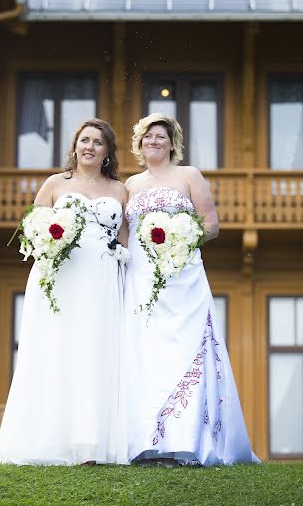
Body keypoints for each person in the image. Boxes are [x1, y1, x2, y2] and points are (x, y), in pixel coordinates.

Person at [0, 119, 128, 466]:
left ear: (107, 151)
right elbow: (33, 230)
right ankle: (50, 440)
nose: (90, 147)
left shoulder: (120, 190)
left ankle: (92, 446)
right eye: (84, 140)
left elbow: (125, 240)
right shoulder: (55, 184)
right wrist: (51, 243)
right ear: (74, 146)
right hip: (61, 276)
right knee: (58, 349)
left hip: (102, 279)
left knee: (96, 354)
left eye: (98, 142)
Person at [124, 112, 257, 466]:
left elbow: (210, 224)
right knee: (147, 353)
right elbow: (124, 236)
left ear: (172, 143)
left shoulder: (189, 176)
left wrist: (181, 241)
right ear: (139, 142)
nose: (154, 142)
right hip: (141, 279)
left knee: (185, 349)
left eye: (161, 137)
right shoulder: (131, 185)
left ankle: (187, 441)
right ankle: (147, 443)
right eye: (148, 136)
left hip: (183, 276)